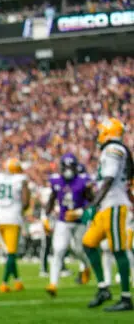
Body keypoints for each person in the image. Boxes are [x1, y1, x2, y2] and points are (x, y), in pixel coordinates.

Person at [82, 118, 133, 312]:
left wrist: (93, 204)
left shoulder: (113, 149)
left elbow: (110, 178)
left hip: (114, 205)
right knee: (88, 243)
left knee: (118, 250)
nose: (98, 135)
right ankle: (103, 288)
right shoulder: (111, 150)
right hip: (107, 205)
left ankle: (126, 298)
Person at [45, 153, 92, 297]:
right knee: (59, 250)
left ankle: (87, 266)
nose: (67, 170)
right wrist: (45, 216)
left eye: (70, 166)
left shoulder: (83, 181)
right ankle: (53, 284)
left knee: (80, 250)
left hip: (79, 222)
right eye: (65, 166)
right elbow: (52, 199)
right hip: (63, 221)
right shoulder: (56, 181)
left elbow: (92, 200)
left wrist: (80, 211)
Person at [0, 158, 29, 293]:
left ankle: (18, 281)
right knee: (11, 253)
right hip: (13, 218)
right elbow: (26, 201)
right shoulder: (20, 180)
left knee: (9, 252)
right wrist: (22, 210)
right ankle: (4, 283)